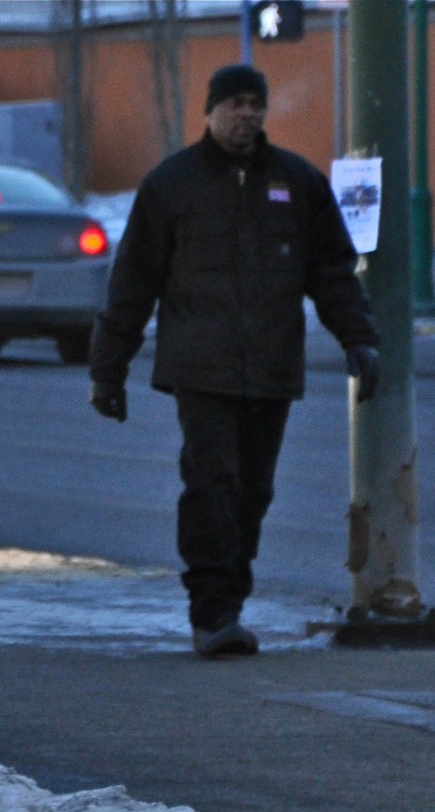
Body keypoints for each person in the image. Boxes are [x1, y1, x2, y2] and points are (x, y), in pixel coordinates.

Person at [88, 64, 380, 657]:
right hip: (200, 369)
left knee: (253, 491)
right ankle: (212, 612)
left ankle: (230, 598)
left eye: (255, 104)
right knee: (211, 484)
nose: (246, 114)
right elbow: (133, 283)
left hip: (271, 369)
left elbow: (331, 274)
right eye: (234, 104)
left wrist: (358, 337)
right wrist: (107, 370)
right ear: (210, 112)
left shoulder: (296, 183)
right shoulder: (172, 186)